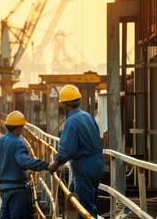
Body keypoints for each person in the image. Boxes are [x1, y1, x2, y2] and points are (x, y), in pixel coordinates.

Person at [47, 85, 104, 219]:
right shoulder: (88, 116)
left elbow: (67, 149)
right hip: (98, 163)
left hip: (84, 166)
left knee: (83, 206)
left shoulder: (72, 122)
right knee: (83, 199)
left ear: (64, 104)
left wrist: (56, 162)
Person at [0, 111, 50, 219]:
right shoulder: (19, 143)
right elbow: (23, 161)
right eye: (22, 127)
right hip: (17, 191)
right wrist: (45, 165)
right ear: (18, 128)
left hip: (4, 189)